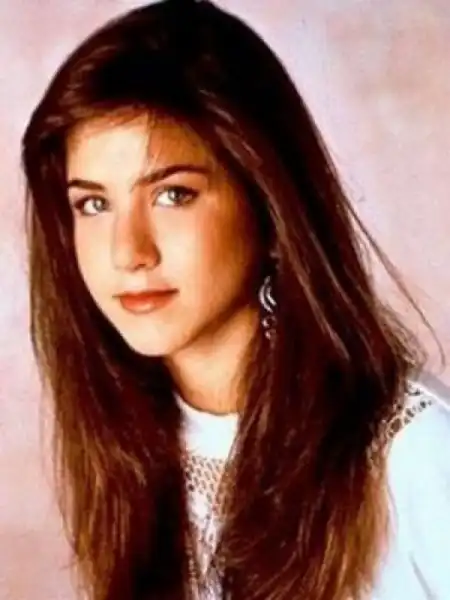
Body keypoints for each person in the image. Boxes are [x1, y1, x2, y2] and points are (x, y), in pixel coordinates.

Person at [21, 1, 450, 599]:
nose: (128, 252)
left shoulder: (413, 456)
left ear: (269, 208)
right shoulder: (129, 449)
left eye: (173, 195)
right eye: (94, 204)